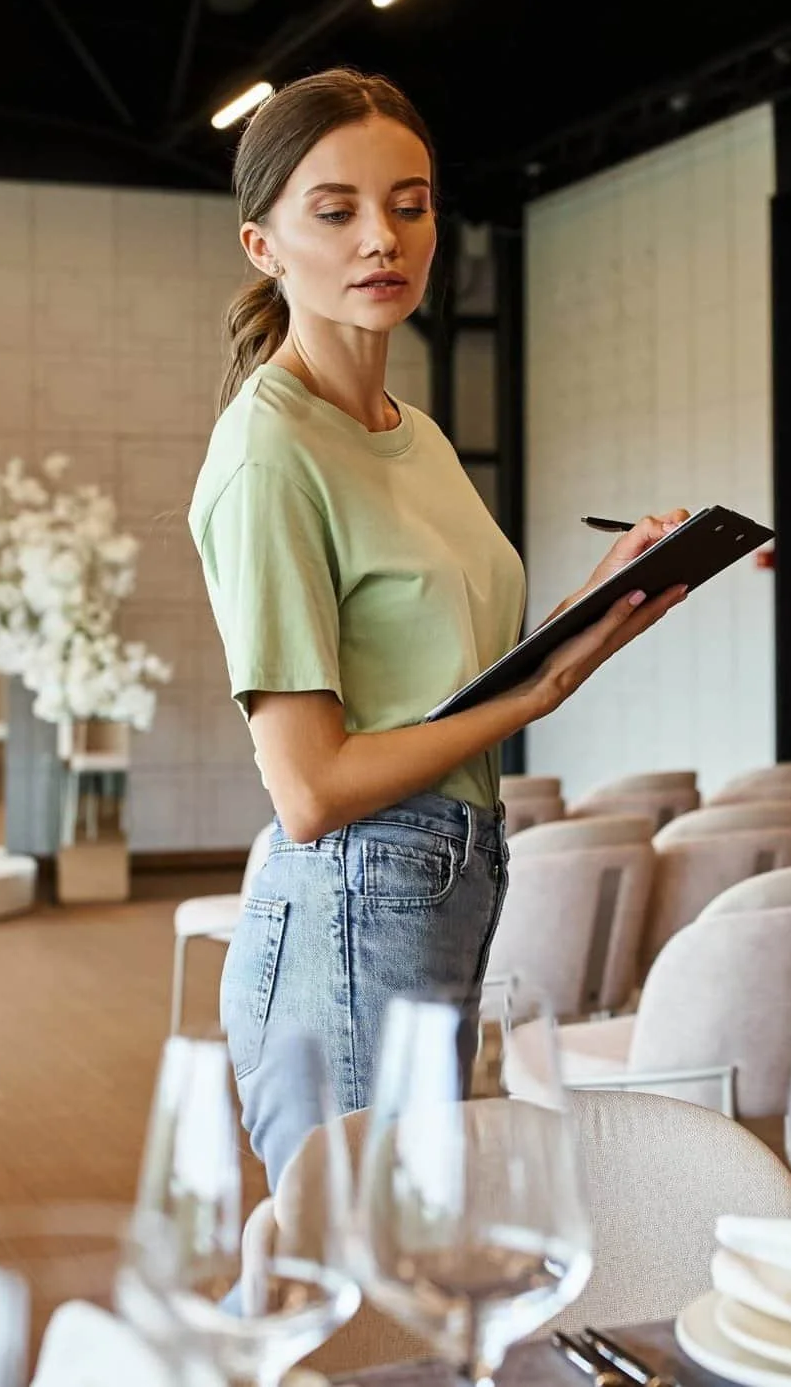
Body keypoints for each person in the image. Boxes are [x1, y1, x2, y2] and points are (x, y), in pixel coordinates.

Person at [189, 68, 688, 1179]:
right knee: (376, 1279)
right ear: (263, 245)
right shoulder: (268, 451)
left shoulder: (411, 432)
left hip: (444, 879)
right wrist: (537, 694)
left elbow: (464, 680)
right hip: (353, 891)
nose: (383, 236)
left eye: (408, 204)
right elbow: (309, 788)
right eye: (337, 210)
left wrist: (603, 600)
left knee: (413, 1259)